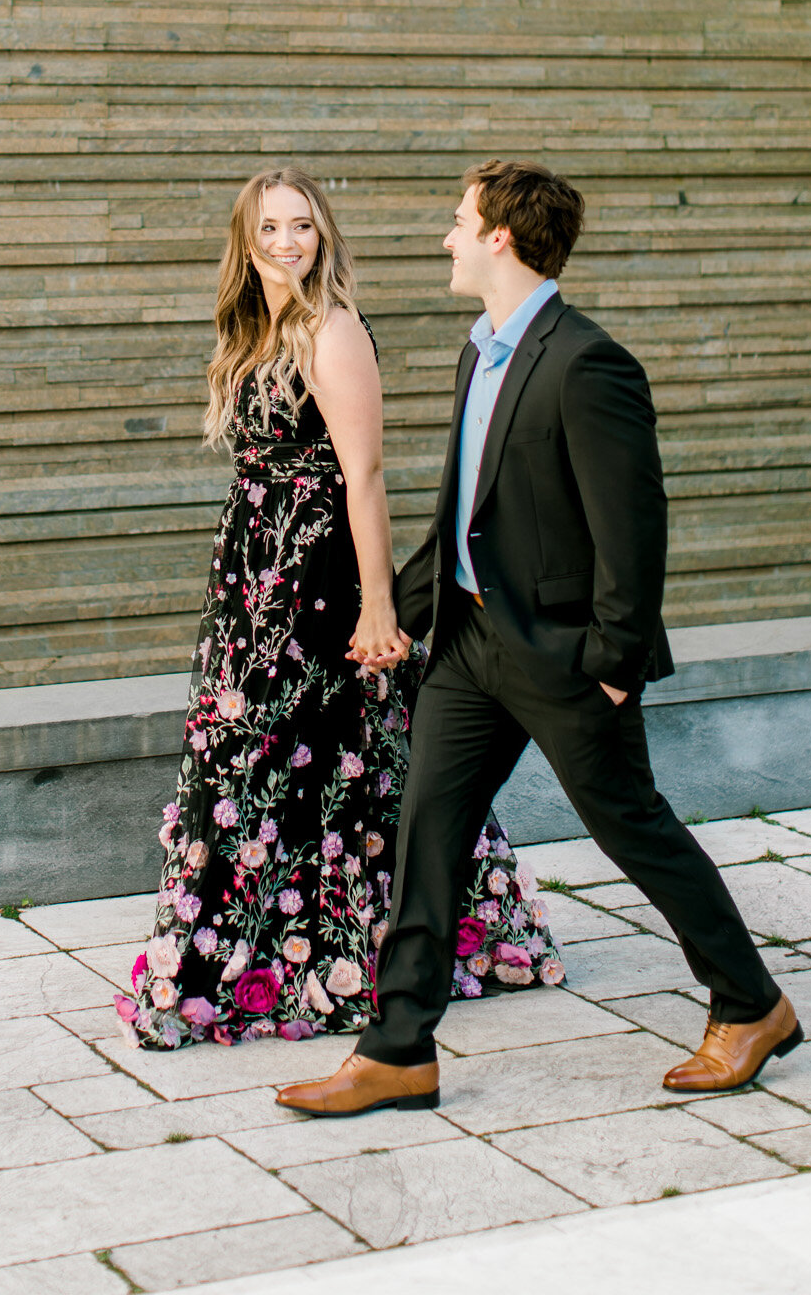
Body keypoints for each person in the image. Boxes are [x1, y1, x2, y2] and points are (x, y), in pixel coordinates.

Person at [278, 158, 802, 1116]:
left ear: (501, 239)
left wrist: (612, 664)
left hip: (562, 656)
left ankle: (751, 1005)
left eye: (457, 220)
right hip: (469, 648)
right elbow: (467, 513)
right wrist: (389, 608)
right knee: (425, 835)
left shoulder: (586, 360)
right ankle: (398, 1050)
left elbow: (632, 526)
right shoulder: (480, 347)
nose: (445, 236)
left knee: (631, 828)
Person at [117, 165, 563, 1050]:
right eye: (271, 228)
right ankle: (274, 960)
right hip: (252, 582)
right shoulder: (259, 329)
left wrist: (378, 607)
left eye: (303, 228)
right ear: (246, 241)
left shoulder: (331, 327)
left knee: (337, 761)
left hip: (318, 581)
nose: (288, 243)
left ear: (323, 238)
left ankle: (375, 952)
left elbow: (363, 476)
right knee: (258, 756)